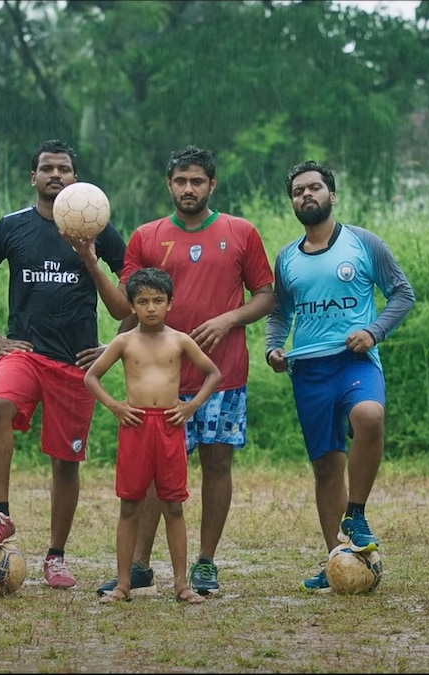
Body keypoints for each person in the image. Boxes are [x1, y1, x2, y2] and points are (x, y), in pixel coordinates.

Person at [88, 145, 275, 597]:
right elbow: (124, 305)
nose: (188, 188)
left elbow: (266, 295)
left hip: (221, 374)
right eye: (180, 181)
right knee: (151, 475)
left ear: (212, 184)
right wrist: (90, 262)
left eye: (197, 181)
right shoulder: (147, 236)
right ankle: (138, 566)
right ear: (168, 184)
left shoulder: (241, 232)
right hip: (160, 384)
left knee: (216, 462)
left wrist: (230, 319)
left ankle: (205, 563)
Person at [0, 139, 129, 589]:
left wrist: (112, 345)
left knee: (65, 464)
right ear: (33, 177)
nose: (56, 175)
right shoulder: (12, 227)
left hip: (76, 361)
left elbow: (130, 302)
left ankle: (56, 556)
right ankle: (0, 514)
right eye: (47, 168)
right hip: (26, 355)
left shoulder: (99, 225)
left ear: (77, 177)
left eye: (65, 168)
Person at [264, 160, 416, 592]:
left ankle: (358, 512)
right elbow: (280, 312)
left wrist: (374, 331)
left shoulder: (363, 243)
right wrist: (274, 348)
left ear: (333, 195)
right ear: (292, 201)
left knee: (369, 416)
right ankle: (337, 559)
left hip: (354, 361)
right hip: (308, 370)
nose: (306, 195)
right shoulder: (287, 258)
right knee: (327, 467)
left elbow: (402, 293)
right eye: (298, 191)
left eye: (314, 188)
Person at [84, 267, 222, 605]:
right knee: (130, 505)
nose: (150, 308)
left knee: (173, 506)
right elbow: (91, 377)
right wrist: (115, 406)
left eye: (158, 300)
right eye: (143, 301)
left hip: (170, 427)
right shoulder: (124, 342)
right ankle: (122, 585)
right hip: (135, 426)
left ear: (170, 303)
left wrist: (191, 408)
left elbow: (213, 374)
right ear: (132, 306)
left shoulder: (180, 340)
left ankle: (181, 584)